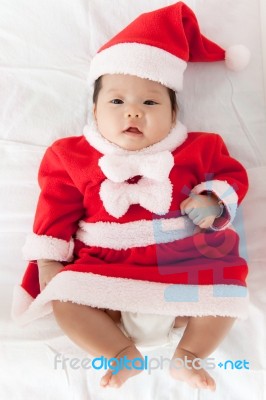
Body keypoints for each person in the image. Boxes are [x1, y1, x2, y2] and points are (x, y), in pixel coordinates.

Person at [12, 1, 250, 392]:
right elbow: (54, 211)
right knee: (65, 299)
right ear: (94, 110)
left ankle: (189, 356)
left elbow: (232, 177)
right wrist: (48, 264)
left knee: (226, 286)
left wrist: (213, 200)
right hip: (103, 268)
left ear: (174, 116)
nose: (133, 113)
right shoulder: (71, 156)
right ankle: (119, 352)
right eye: (117, 101)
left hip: (181, 262)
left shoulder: (199, 148)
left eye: (150, 102)